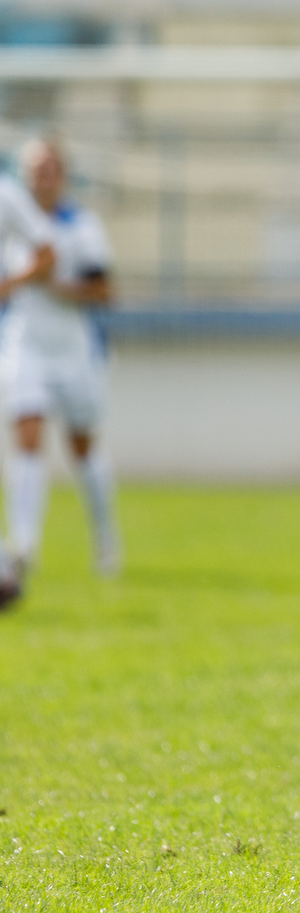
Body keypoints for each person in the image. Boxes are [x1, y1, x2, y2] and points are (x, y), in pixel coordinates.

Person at [0, 137, 117, 597]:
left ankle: (106, 537)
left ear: (63, 174)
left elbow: (104, 289)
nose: (42, 176)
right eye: (35, 168)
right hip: (26, 346)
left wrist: (55, 289)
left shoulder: (82, 226)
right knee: (28, 435)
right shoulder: (14, 217)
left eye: (50, 168)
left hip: (73, 349)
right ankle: (24, 545)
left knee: (82, 447)